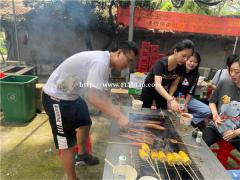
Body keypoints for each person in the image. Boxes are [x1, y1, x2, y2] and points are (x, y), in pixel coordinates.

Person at [42, 41, 138, 180]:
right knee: (67, 144)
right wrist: (118, 117)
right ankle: (71, 178)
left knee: (85, 122)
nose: (127, 66)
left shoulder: (106, 64)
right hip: (56, 98)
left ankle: (82, 155)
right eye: (128, 60)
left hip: (72, 96)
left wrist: (114, 111)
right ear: (119, 53)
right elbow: (93, 98)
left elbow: (103, 94)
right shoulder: (100, 62)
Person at [140, 39, 195, 111]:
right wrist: (171, 100)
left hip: (163, 91)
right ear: (175, 51)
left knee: (163, 112)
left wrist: (170, 97)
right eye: (183, 56)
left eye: (188, 57)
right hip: (149, 89)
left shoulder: (181, 67)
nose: (185, 59)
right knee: (144, 111)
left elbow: (174, 84)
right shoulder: (161, 64)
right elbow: (157, 85)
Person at [203, 54, 240, 151]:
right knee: (201, 143)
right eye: (231, 70)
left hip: (237, 132)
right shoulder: (224, 82)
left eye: (237, 72)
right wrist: (215, 115)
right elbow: (212, 102)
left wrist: (236, 132)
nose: (232, 74)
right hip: (217, 126)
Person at [174, 52, 212, 129]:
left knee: (207, 111)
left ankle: (190, 121)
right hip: (174, 97)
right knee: (179, 111)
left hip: (187, 98)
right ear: (185, 60)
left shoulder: (196, 75)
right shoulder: (178, 70)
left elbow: (191, 91)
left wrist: (185, 104)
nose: (192, 64)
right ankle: (181, 120)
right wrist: (182, 103)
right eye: (190, 61)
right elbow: (174, 88)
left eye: (195, 62)